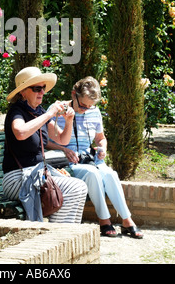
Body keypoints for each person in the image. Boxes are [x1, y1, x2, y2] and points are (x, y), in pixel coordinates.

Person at [47, 76, 143, 238]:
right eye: (83, 105)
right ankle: (104, 220)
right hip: (69, 162)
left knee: (111, 174)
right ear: (73, 94)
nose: (86, 109)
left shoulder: (94, 111)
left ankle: (127, 221)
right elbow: (45, 141)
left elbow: (100, 138)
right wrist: (63, 150)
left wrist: (102, 148)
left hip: (91, 159)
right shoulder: (58, 110)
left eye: (90, 106)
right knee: (93, 174)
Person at [2, 66, 88, 223]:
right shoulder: (17, 112)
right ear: (23, 92)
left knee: (80, 187)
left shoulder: (39, 112)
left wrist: (69, 121)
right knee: (74, 188)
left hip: (36, 174)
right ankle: (57, 235)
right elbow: (20, 132)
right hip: (17, 178)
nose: (42, 92)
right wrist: (50, 114)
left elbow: (62, 140)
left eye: (43, 88)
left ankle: (67, 235)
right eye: (37, 88)